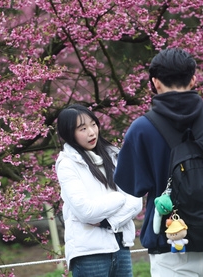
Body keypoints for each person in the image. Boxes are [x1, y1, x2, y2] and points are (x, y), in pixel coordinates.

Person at [115, 48, 203, 277]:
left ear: (155, 83)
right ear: (194, 79)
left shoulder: (142, 129)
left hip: (169, 243)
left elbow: (132, 185)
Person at [55, 105, 141, 277]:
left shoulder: (113, 155)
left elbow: (136, 200)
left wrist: (107, 223)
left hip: (121, 245)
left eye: (93, 125)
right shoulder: (67, 164)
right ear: (68, 134)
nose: (92, 132)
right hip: (89, 253)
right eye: (83, 129)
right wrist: (118, 198)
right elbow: (86, 212)